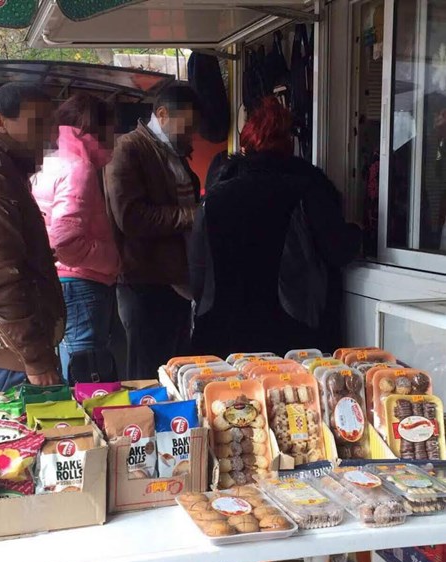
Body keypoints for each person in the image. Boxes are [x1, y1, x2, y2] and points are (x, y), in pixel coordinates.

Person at [190, 97, 362, 357]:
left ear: (246, 146)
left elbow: (197, 273)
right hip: (289, 337)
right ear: (288, 145)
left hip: (221, 336)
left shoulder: (215, 197)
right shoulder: (308, 189)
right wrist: (357, 232)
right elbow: (337, 249)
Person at [105, 82, 201, 379]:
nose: (192, 133)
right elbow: (130, 217)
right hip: (145, 282)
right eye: (188, 125)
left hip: (178, 282)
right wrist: (191, 215)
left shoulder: (174, 151)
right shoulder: (129, 148)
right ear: (162, 114)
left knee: (177, 372)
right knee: (147, 377)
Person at [31, 92, 120, 382]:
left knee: (72, 362)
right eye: (110, 130)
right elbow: (65, 241)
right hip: (82, 282)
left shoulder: (50, 161)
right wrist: (110, 259)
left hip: (59, 278)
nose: (113, 139)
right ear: (94, 128)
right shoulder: (78, 168)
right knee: (86, 371)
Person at [0, 82, 65, 393]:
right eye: (37, 124)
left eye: (50, 125)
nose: (47, 136)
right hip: (13, 360)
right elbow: (3, 274)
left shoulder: (11, 170)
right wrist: (37, 360)